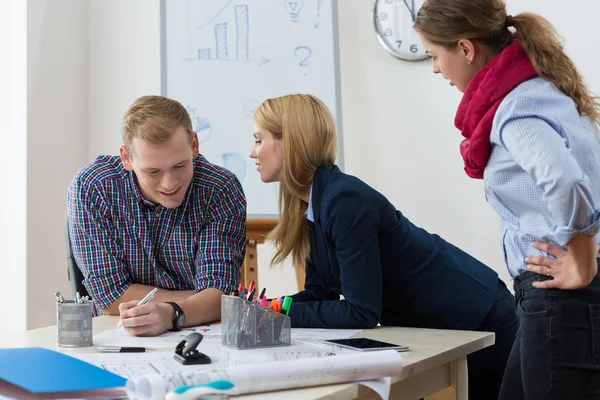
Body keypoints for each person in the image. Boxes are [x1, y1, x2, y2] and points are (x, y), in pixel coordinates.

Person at [250, 93, 517, 399]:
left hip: (477, 315)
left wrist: (276, 319)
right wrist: (266, 309)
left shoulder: (344, 201)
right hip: (440, 327)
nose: (252, 152)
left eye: (259, 140)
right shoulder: (311, 204)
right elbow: (321, 291)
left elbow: (361, 311)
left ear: (289, 142)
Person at [414, 1, 600, 398]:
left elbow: (566, 182)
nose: (434, 69)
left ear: (465, 49)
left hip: (557, 294)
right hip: (557, 295)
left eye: (434, 56)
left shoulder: (515, 109)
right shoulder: (544, 91)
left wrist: (582, 259)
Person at [67, 95, 246, 337]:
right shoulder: (94, 187)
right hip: (117, 335)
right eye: (153, 171)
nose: (169, 183)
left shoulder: (219, 189)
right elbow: (109, 297)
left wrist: (171, 313)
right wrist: (199, 302)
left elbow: (220, 295)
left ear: (194, 145)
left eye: (180, 166)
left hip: (201, 336)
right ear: (126, 158)